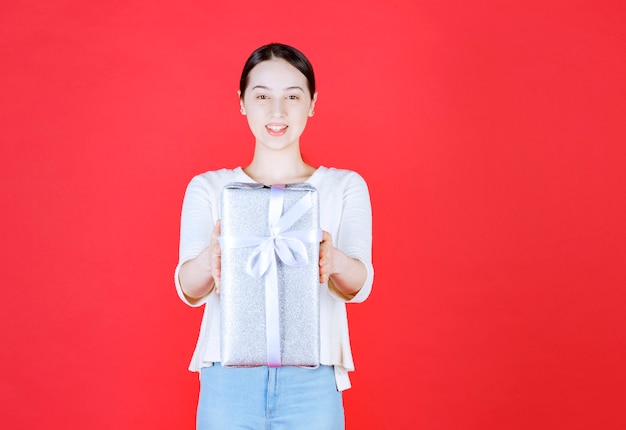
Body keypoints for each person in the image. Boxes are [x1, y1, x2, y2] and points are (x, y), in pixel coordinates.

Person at [175, 43, 374, 429]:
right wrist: (209, 260)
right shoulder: (210, 187)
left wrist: (333, 261)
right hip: (227, 378)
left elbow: (360, 283)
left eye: (293, 96)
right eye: (262, 96)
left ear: (312, 103)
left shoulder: (343, 186)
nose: (277, 112)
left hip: (314, 379)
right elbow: (187, 286)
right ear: (242, 102)